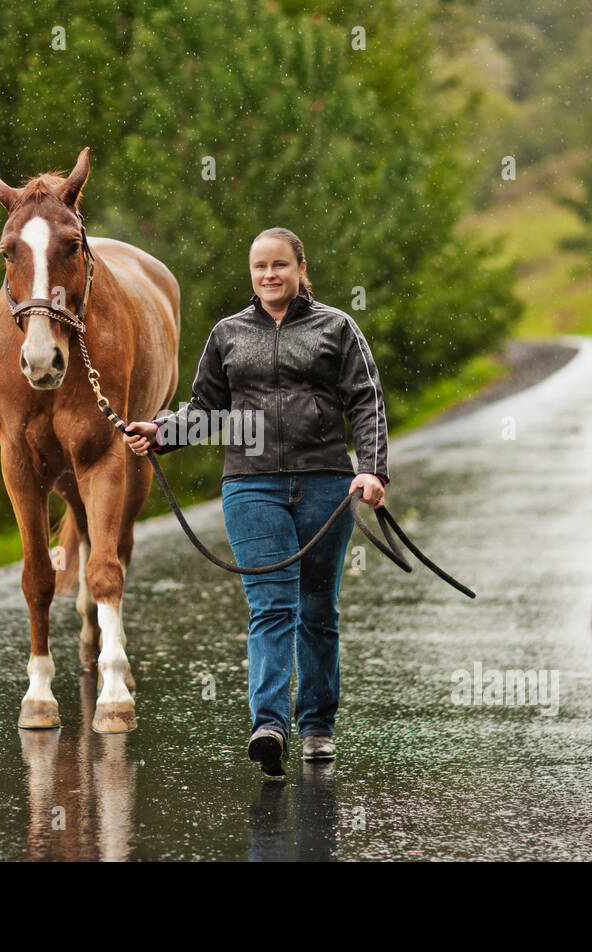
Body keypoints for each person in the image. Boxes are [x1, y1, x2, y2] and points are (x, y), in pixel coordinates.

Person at [124, 227, 389, 778]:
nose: (269, 275)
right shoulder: (228, 334)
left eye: (279, 266)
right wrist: (164, 431)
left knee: (318, 611)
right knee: (272, 606)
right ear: (251, 274)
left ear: (300, 268)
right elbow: (205, 408)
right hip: (250, 486)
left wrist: (371, 469)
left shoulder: (336, 328)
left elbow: (366, 401)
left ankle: (316, 725)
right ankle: (268, 726)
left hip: (324, 484)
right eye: (259, 267)